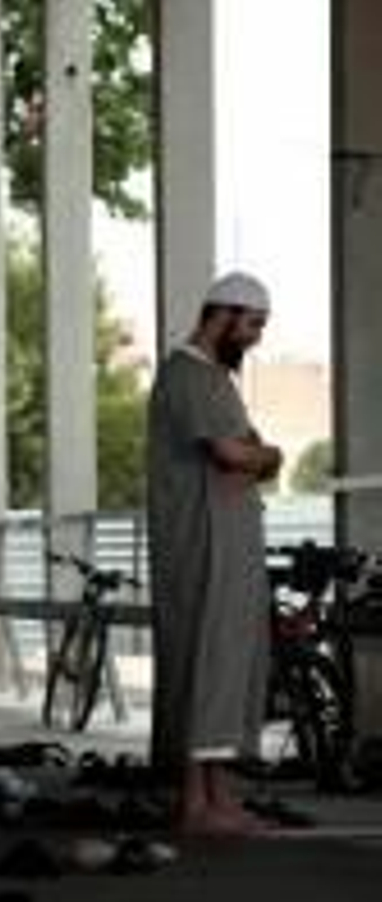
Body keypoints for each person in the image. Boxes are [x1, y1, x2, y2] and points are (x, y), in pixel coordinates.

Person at [147, 271, 282, 835]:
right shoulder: (188, 375)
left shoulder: (214, 379)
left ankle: (217, 798)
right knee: (206, 663)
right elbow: (235, 452)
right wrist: (266, 454)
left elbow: (251, 453)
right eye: (251, 325)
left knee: (228, 667)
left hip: (227, 547)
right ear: (221, 315)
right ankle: (195, 805)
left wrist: (261, 454)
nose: (255, 338)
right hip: (204, 548)